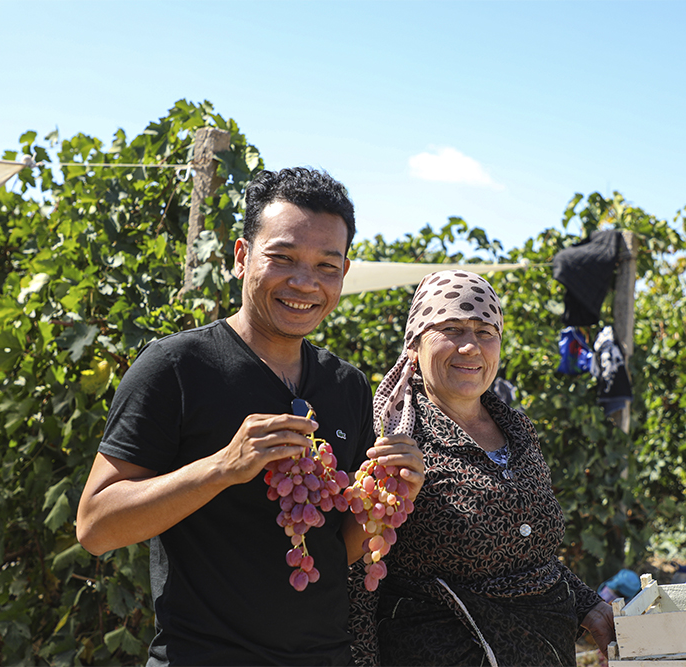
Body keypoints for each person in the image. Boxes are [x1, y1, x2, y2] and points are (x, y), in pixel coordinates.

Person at [75, 167, 425, 666]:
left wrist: (384, 500)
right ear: (242, 258)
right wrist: (221, 467)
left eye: (327, 266)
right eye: (282, 258)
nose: (305, 283)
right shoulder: (176, 367)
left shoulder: (346, 385)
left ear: (344, 273)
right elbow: (95, 528)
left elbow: (333, 550)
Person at [348, 270, 615, 667]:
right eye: (452, 328)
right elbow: (359, 571)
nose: (471, 347)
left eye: (486, 331)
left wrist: (587, 605)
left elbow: (529, 552)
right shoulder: (392, 439)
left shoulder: (516, 428)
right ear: (415, 345)